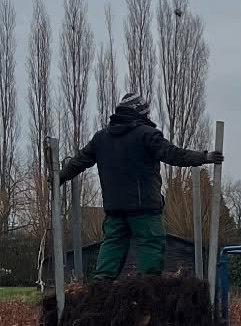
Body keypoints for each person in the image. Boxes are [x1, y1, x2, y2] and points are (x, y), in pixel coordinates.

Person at [57, 94, 221, 279]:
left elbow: (79, 161)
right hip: (144, 208)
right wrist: (203, 157)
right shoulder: (146, 134)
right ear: (141, 113)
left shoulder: (101, 138)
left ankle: (100, 287)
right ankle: (148, 291)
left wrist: (58, 178)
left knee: (112, 245)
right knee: (151, 245)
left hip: (115, 208)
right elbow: (172, 154)